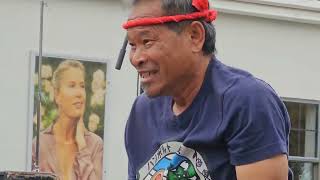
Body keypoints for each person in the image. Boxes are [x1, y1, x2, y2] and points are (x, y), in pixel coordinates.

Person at [123, 0, 291, 179]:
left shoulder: (246, 102)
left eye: (147, 41)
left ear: (194, 36)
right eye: (132, 45)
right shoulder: (142, 112)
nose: (136, 58)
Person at [32, 60, 103, 180]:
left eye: (82, 86)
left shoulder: (95, 144)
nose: (79, 93)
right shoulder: (39, 144)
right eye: (71, 85)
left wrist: (82, 147)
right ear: (57, 95)